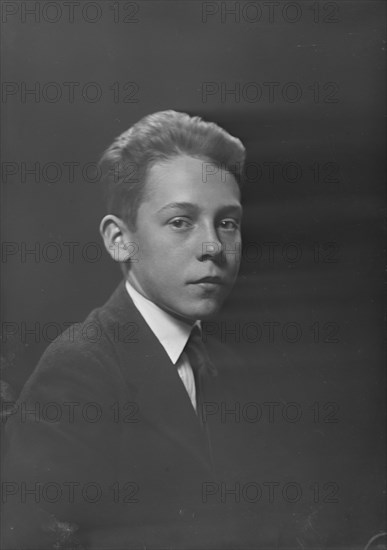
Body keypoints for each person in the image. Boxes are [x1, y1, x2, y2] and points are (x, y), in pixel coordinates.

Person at [2, 111, 252, 549]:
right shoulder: (79, 370)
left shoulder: (225, 367)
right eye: (181, 221)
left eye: (227, 222)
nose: (213, 246)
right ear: (120, 239)